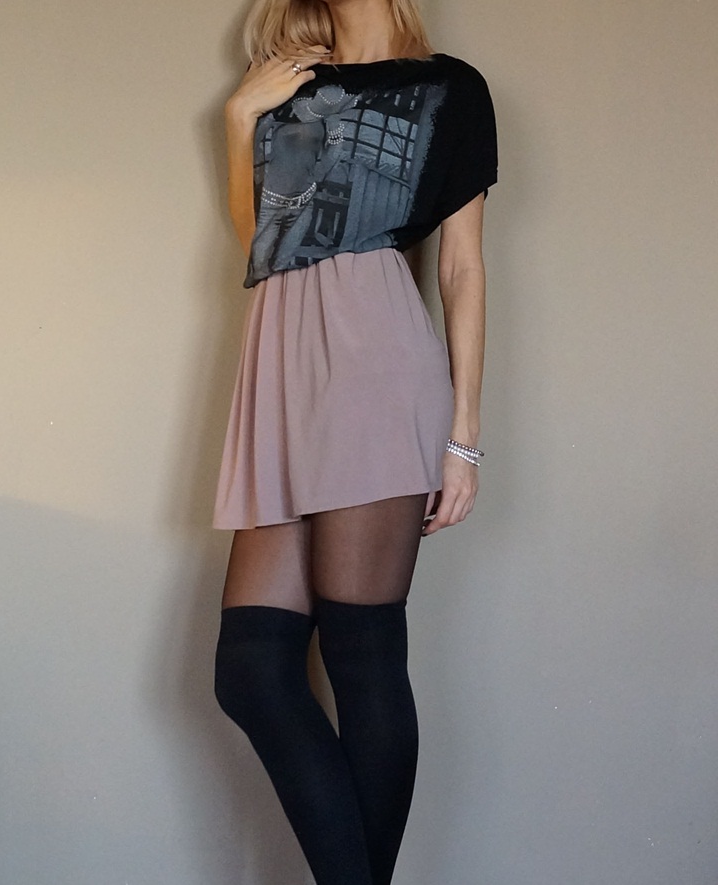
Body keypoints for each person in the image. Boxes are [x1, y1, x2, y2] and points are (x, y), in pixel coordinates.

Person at [211, 0, 497, 882]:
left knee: (360, 651)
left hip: (375, 357)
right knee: (252, 669)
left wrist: (463, 437)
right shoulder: (286, 82)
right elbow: (261, 239)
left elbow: (461, 266)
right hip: (282, 363)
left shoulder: (450, 88)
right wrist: (239, 120)